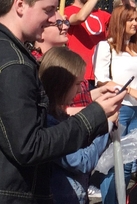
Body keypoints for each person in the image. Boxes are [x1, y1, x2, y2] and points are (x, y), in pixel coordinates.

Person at [0, 0, 125, 204]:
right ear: (19, 5)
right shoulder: (15, 64)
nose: (55, 19)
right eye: (47, 10)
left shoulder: (15, 55)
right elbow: (30, 146)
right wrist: (94, 116)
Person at [93, 4, 137, 204]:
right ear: (120, 22)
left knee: (130, 163)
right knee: (115, 161)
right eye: (130, 20)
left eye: (135, 20)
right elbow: (101, 80)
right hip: (118, 108)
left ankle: (121, 199)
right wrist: (129, 90)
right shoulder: (107, 46)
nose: (135, 23)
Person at [41, 47, 113, 204]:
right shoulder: (49, 123)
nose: (81, 89)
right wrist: (107, 122)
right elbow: (82, 161)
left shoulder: (58, 116)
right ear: (61, 85)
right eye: (77, 84)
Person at [65, 0, 130, 86]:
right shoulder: (68, 11)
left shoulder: (101, 14)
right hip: (78, 74)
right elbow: (80, 17)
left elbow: (126, 21)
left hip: (100, 75)